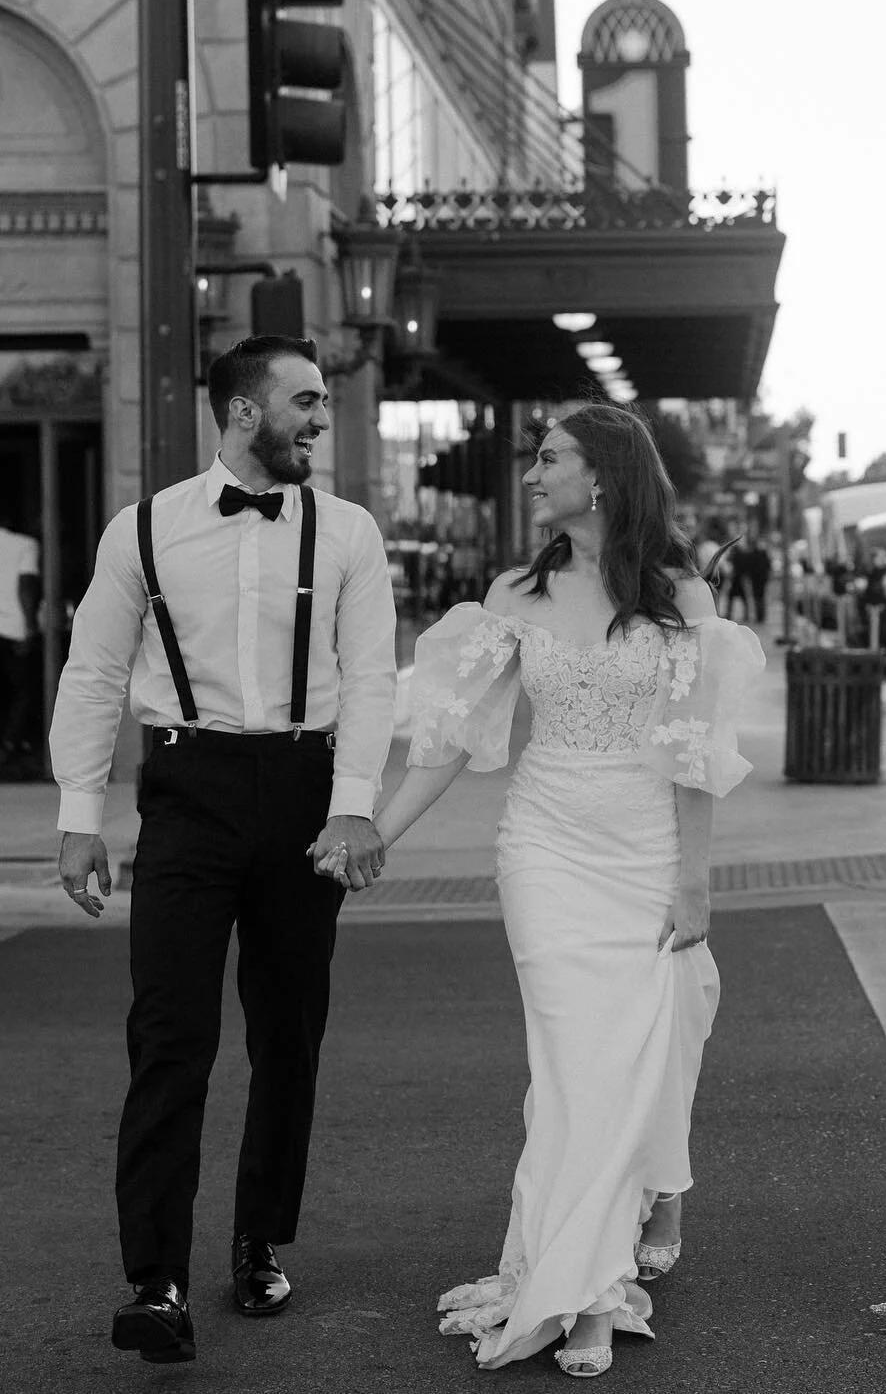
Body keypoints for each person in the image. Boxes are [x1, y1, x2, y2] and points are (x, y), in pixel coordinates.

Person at [317, 403, 763, 1377]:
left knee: (641, 1048)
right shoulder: (513, 596)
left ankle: (625, 1222)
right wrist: (371, 833)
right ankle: (589, 1287)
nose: (531, 471)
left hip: (644, 846)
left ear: (600, 474)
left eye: (548, 455)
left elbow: (693, 751)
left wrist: (694, 882)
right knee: (576, 1065)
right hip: (548, 848)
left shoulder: (680, 593)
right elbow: (446, 740)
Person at [51, 335, 397, 1366]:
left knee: (287, 1032)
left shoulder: (349, 531)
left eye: (323, 400)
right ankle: (155, 1277)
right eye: (304, 400)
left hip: (302, 790)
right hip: (186, 793)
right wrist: (80, 811)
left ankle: (257, 1239)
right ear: (243, 413)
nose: (320, 418)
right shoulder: (145, 527)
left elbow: (372, 676)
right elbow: (95, 667)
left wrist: (353, 805)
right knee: (170, 1035)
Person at [0, 498, 40, 769]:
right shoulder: (24, 544)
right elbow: (26, 584)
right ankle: (8, 743)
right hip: (10, 628)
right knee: (22, 691)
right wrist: (29, 626)